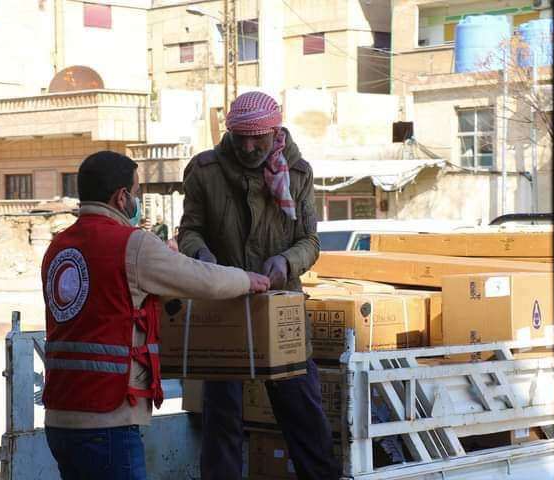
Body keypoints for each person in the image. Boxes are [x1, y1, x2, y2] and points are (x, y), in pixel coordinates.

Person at [41, 151, 270, 480]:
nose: (137, 201)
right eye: (136, 192)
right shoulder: (131, 245)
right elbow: (199, 278)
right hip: (107, 416)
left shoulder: (58, 247)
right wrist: (247, 280)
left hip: (59, 417)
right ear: (121, 197)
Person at [178, 92, 340, 480]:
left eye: (258, 139)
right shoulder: (205, 171)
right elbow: (189, 230)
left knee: (303, 416)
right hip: (224, 307)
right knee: (222, 420)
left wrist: (286, 262)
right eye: (241, 138)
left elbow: (309, 241)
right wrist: (201, 255)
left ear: (274, 133)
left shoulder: (297, 172)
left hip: (280, 308)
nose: (248, 147)